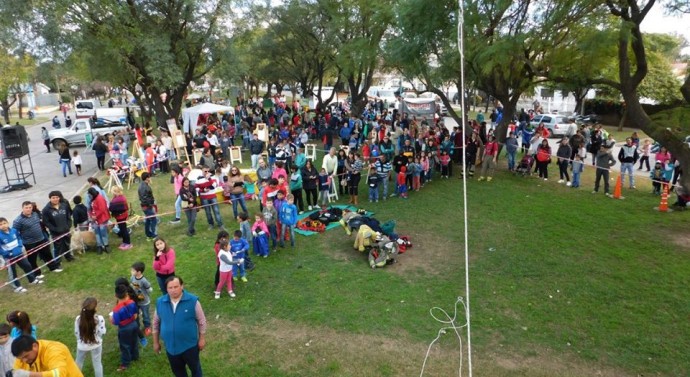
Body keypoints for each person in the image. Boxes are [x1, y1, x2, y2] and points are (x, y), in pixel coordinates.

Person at [153, 276, 207, 377]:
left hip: (189, 346)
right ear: (166, 289)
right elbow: (156, 323)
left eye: (176, 287)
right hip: (171, 348)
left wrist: (202, 339)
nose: (173, 290)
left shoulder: (193, 301)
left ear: (182, 286)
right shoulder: (160, 302)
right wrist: (156, 342)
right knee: (178, 372)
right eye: (170, 288)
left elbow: (202, 321)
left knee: (195, 369)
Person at [13, 201, 62, 276]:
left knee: (48, 255)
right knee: (32, 259)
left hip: (41, 239)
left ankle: (53, 268)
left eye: (30, 207)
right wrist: (21, 241)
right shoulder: (18, 221)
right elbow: (15, 233)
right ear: (22, 208)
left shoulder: (35, 214)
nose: (28, 209)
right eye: (26, 208)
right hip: (30, 243)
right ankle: (37, 274)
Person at [0, 217, 45, 293]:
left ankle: (32, 280)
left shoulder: (14, 231)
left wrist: (20, 246)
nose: (3, 225)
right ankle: (16, 287)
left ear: (7, 223)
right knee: (12, 272)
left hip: (19, 254)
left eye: (4, 223)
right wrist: (9, 254)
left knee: (27, 265)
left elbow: (19, 238)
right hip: (9, 258)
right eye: (0, 224)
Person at [10, 335, 83, 377]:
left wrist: (29, 374)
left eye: (26, 356)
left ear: (34, 346)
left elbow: (59, 374)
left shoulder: (54, 350)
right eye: (20, 358)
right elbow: (17, 370)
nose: (24, 361)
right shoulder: (22, 355)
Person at [74, 297, 106, 377]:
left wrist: (80, 340)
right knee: (97, 363)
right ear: (95, 308)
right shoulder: (99, 319)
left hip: (82, 345)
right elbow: (102, 332)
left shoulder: (78, 319)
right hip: (96, 344)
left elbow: (77, 333)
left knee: (78, 362)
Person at [111, 284, 139, 372]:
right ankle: (135, 356)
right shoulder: (132, 302)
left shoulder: (116, 309)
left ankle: (126, 363)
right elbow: (135, 314)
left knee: (125, 345)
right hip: (134, 324)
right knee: (134, 341)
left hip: (124, 329)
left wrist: (111, 319)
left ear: (115, 295)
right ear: (126, 294)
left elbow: (115, 322)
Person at [42, 191, 74, 263]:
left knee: (67, 244)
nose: (55, 199)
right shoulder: (46, 210)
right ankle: (57, 262)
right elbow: (46, 222)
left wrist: (69, 225)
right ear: (50, 198)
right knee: (58, 247)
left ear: (59, 198)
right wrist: (55, 229)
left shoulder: (64, 205)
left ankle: (68, 257)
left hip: (66, 230)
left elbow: (68, 216)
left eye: (57, 197)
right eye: (53, 198)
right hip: (56, 232)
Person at [130, 262, 153, 336]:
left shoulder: (144, 280)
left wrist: (146, 293)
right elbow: (133, 285)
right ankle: (136, 327)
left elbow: (149, 289)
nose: (131, 272)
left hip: (144, 302)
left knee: (145, 315)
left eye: (133, 270)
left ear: (139, 272)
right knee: (135, 314)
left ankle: (147, 327)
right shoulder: (132, 277)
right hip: (136, 301)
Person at [88, 188, 110, 254]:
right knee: (97, 233)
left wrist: (96, 216)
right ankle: (99, 246)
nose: (89, 196)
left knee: (103, 233)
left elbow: (102, 209)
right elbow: (90, 209)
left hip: (102, 219)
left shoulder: (99, 198)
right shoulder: (92, 199)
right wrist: (91, 216)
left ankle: (106, 245)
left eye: (89, 194)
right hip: (94, 220)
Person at [109, 186, 132, 250]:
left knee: (124, 230)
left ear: (114, 192)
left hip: (121, 217)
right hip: (123, 215)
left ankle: (128, 243)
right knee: (122, 229)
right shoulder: (122, 197)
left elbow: (111, 208)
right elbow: (126, 207)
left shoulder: (116, 199)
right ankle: (124, 242)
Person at [138, 172, 158, 240]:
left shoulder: (142, 185)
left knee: (148, 220)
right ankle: (153, 235)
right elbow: (144, 198)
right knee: (153, 220)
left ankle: (148, 234)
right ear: (147, 178)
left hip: (145, 206)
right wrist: (150, 205)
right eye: (149, 177)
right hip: (147, 207)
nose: (150, 178)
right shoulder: (144, 187)